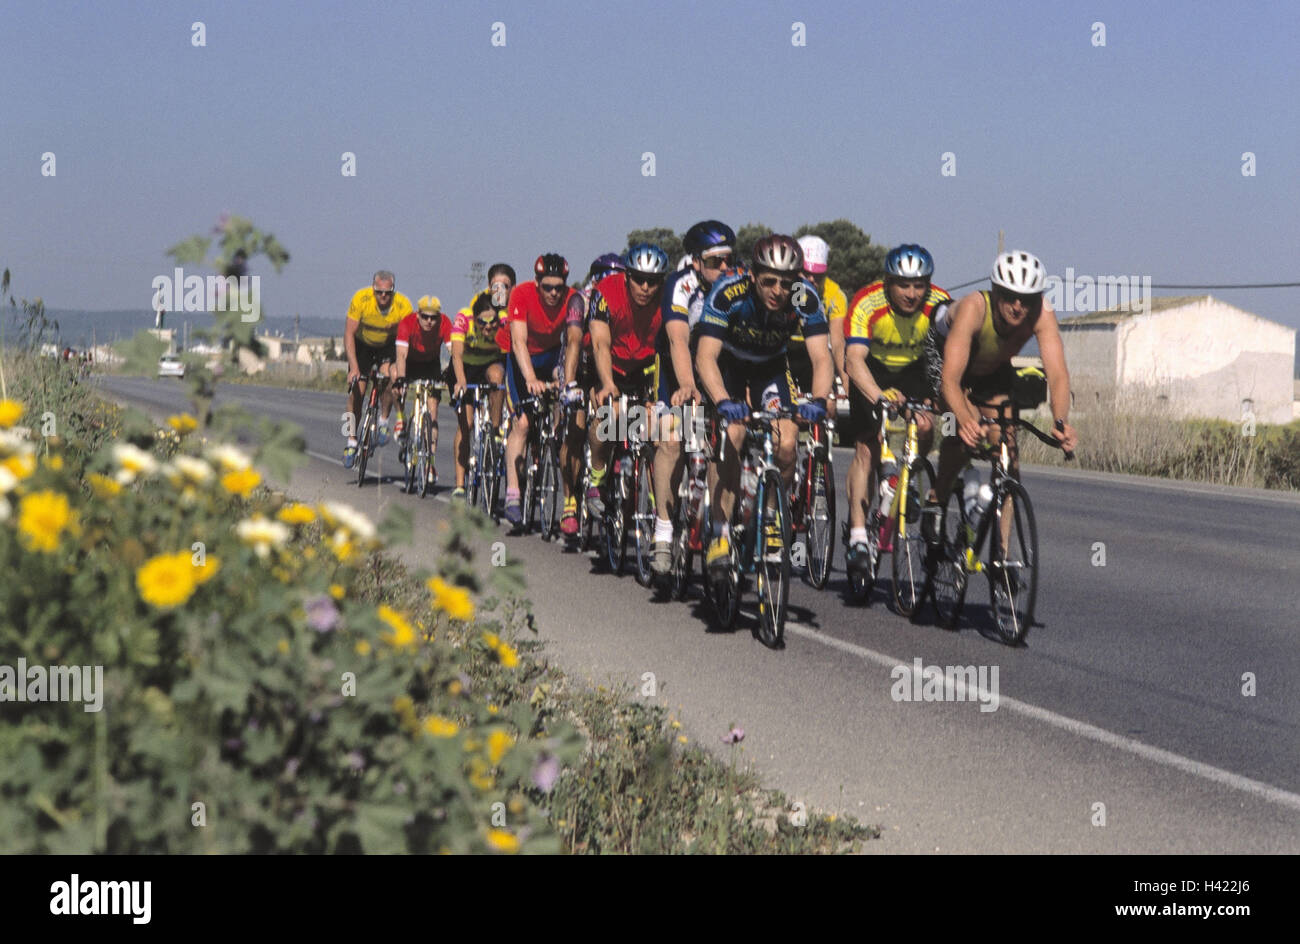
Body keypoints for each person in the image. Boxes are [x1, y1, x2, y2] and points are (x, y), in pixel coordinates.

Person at [695, 235, 832, 574]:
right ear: (752, 275)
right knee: (734, 435)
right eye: (768, 281)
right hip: (727, 365)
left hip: (770, 368)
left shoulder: (805, 297)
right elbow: (705, 356)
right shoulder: (729, 292)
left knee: (787, 444)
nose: (777, 291)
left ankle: (769, 517)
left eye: (786, 283)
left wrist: (818, 399)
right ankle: (720, 530)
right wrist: (724, 401)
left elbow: (821, 357)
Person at [925, 250, 1078, 539]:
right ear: (995, 291)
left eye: (1028, 299)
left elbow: (1057, 373)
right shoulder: (974, 308)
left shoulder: (1042, 313)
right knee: (967, 432)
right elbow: (950, 380)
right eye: (1009, 296)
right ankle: (937, 498)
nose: (1019, 306)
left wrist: (1061, 422)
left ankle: (1003, 557)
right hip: (947, 362)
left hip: (992, 367)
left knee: (1008, 453)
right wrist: (965, 419)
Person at [842, 244, 950, 574]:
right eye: (904, 285)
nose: (912, 293)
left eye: (920, 285)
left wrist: (941, 395)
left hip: (914, 372)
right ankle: (859, 534)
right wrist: (878, 397)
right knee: (867, 450)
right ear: (888, 283)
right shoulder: (867, 301)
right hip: (872, 371)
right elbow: (853, 360)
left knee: (927, 425)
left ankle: (908, 480)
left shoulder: (940, 304)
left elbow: (950, 357)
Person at [649, 220, 736, 574]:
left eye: (729, 259)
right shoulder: (679, 284)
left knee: (728, 440)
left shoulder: (737, 284)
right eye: (716, 262)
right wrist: (687, 385)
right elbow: (678, 340)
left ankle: (720, 530)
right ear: (697, 262)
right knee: (671, 437)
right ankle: (664, 531)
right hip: (676, 370)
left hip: (718, 366)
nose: (725, 268)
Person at [584, 244, 669, 520]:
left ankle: (660, 499)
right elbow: (599, 342)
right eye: (639, 279)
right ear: (626, 276)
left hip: (645, 368)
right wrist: (608, 384)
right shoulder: (606, 292)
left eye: (653, 281)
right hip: (611, 364)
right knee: (609, 416)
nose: (645, 287)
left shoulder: (668, 298)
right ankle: (596, 477)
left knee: (659, 426)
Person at [502, 253, 583, 526]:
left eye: (558, 287)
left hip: (552, 356)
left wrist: (565, 379)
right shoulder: (521, 294)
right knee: (522, 424)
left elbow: (573, 341)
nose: (553, 293)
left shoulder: (573, 298)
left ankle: (555, 440)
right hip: (523, 359)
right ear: (537, 283)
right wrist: (530, 379)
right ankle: (513, 494)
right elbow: (518, 342)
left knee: (566, 406)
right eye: (547, 287)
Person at [558, 253, 625, 536]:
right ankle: (570, 501)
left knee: (612, 416)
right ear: (595, 279)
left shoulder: (621, 300)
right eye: (607, 279)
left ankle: (612, 474)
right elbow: (574, 342)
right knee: (576, 429)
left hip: (604, 367)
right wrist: (570, 384)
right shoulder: (580, 301)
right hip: (578, 364)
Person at [449, 263, 515, 499]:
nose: (500, 291)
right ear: (489, 287)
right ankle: (459, 483)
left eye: (505, 287)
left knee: (497, 377)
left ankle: (495, 433)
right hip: (465, 366)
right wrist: (460, 382)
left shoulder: (510, 315)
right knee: (465, 425)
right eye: (496, 286)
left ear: (512, 288)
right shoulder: (468, 313)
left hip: (491, 363)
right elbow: (456, 354)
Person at [343, 270, 412, 468]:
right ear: (373, 290)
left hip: (387, 346)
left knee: (392, 376)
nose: (383, 296)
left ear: (393, 291)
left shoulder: (402, 304)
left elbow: (406, 339)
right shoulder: (361, 299)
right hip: (362, 345)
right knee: (358, 392)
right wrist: (354, 368)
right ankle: (350, 439)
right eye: (379, 292)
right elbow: (349, 333)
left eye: (388, 292)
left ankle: (383, 420)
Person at [393, 295, 453, 486]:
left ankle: (430, 462)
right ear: (417, 315)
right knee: (394, 376)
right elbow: (401, 354)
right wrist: (401, 380)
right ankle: (401, 418)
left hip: (430, 364)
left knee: (433, 412)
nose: (429, 321)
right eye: (425, 317)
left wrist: (451, 373)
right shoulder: (407, 323)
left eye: (433, 317)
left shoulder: (445, 324)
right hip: (409, 362)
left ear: (439, 316)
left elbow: (455, 352)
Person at [794, 235, 850, 403]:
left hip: (815, 354)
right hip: (785, 353)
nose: (811, 280)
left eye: (818, 275)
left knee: (828, 405)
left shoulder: (835, 295)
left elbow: (838, 342)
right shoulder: (786, 288)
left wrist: (846, 379)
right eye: (806, 273)